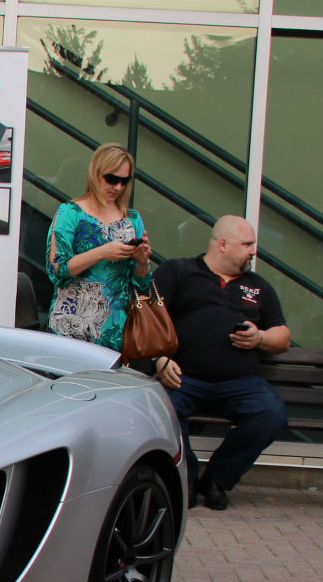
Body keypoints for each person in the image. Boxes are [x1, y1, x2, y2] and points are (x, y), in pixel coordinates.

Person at [151, 215, 290, 511]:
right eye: (248, 244)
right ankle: (185, 478)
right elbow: (148, 320)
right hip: (183, 377)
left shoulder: (258, 287)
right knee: (164, 410)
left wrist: (260, 338)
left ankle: (217, 479)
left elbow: (283, 336)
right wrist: (159, 358)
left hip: (239, 383)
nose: (254, 251)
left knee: (271, 413)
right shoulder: (179, 271)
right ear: (224, 244)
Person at [45, 142, 155, 351]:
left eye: (124, 181)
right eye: (111, 179)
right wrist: (102, 252)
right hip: (71, 327)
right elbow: (57, 270)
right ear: (96, 174)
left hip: (115, 330)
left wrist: (142, 261)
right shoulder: (71, 212)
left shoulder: (133, 219)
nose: (118, 187)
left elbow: (141, 285)